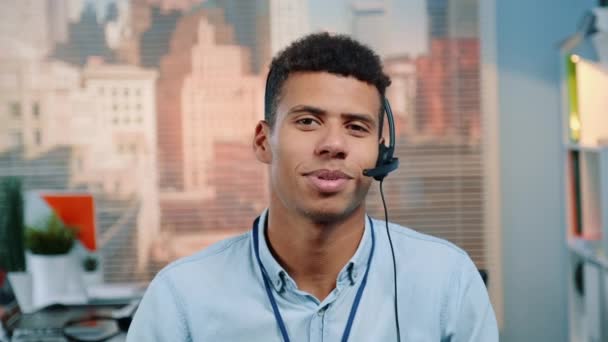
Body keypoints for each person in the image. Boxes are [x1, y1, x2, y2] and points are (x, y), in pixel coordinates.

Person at [127, 32, 498, 341]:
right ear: (262, 142)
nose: (333, 144)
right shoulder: (180, 300)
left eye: (356, 127)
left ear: (381, 153)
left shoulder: (448, 283)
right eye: (307, 121)